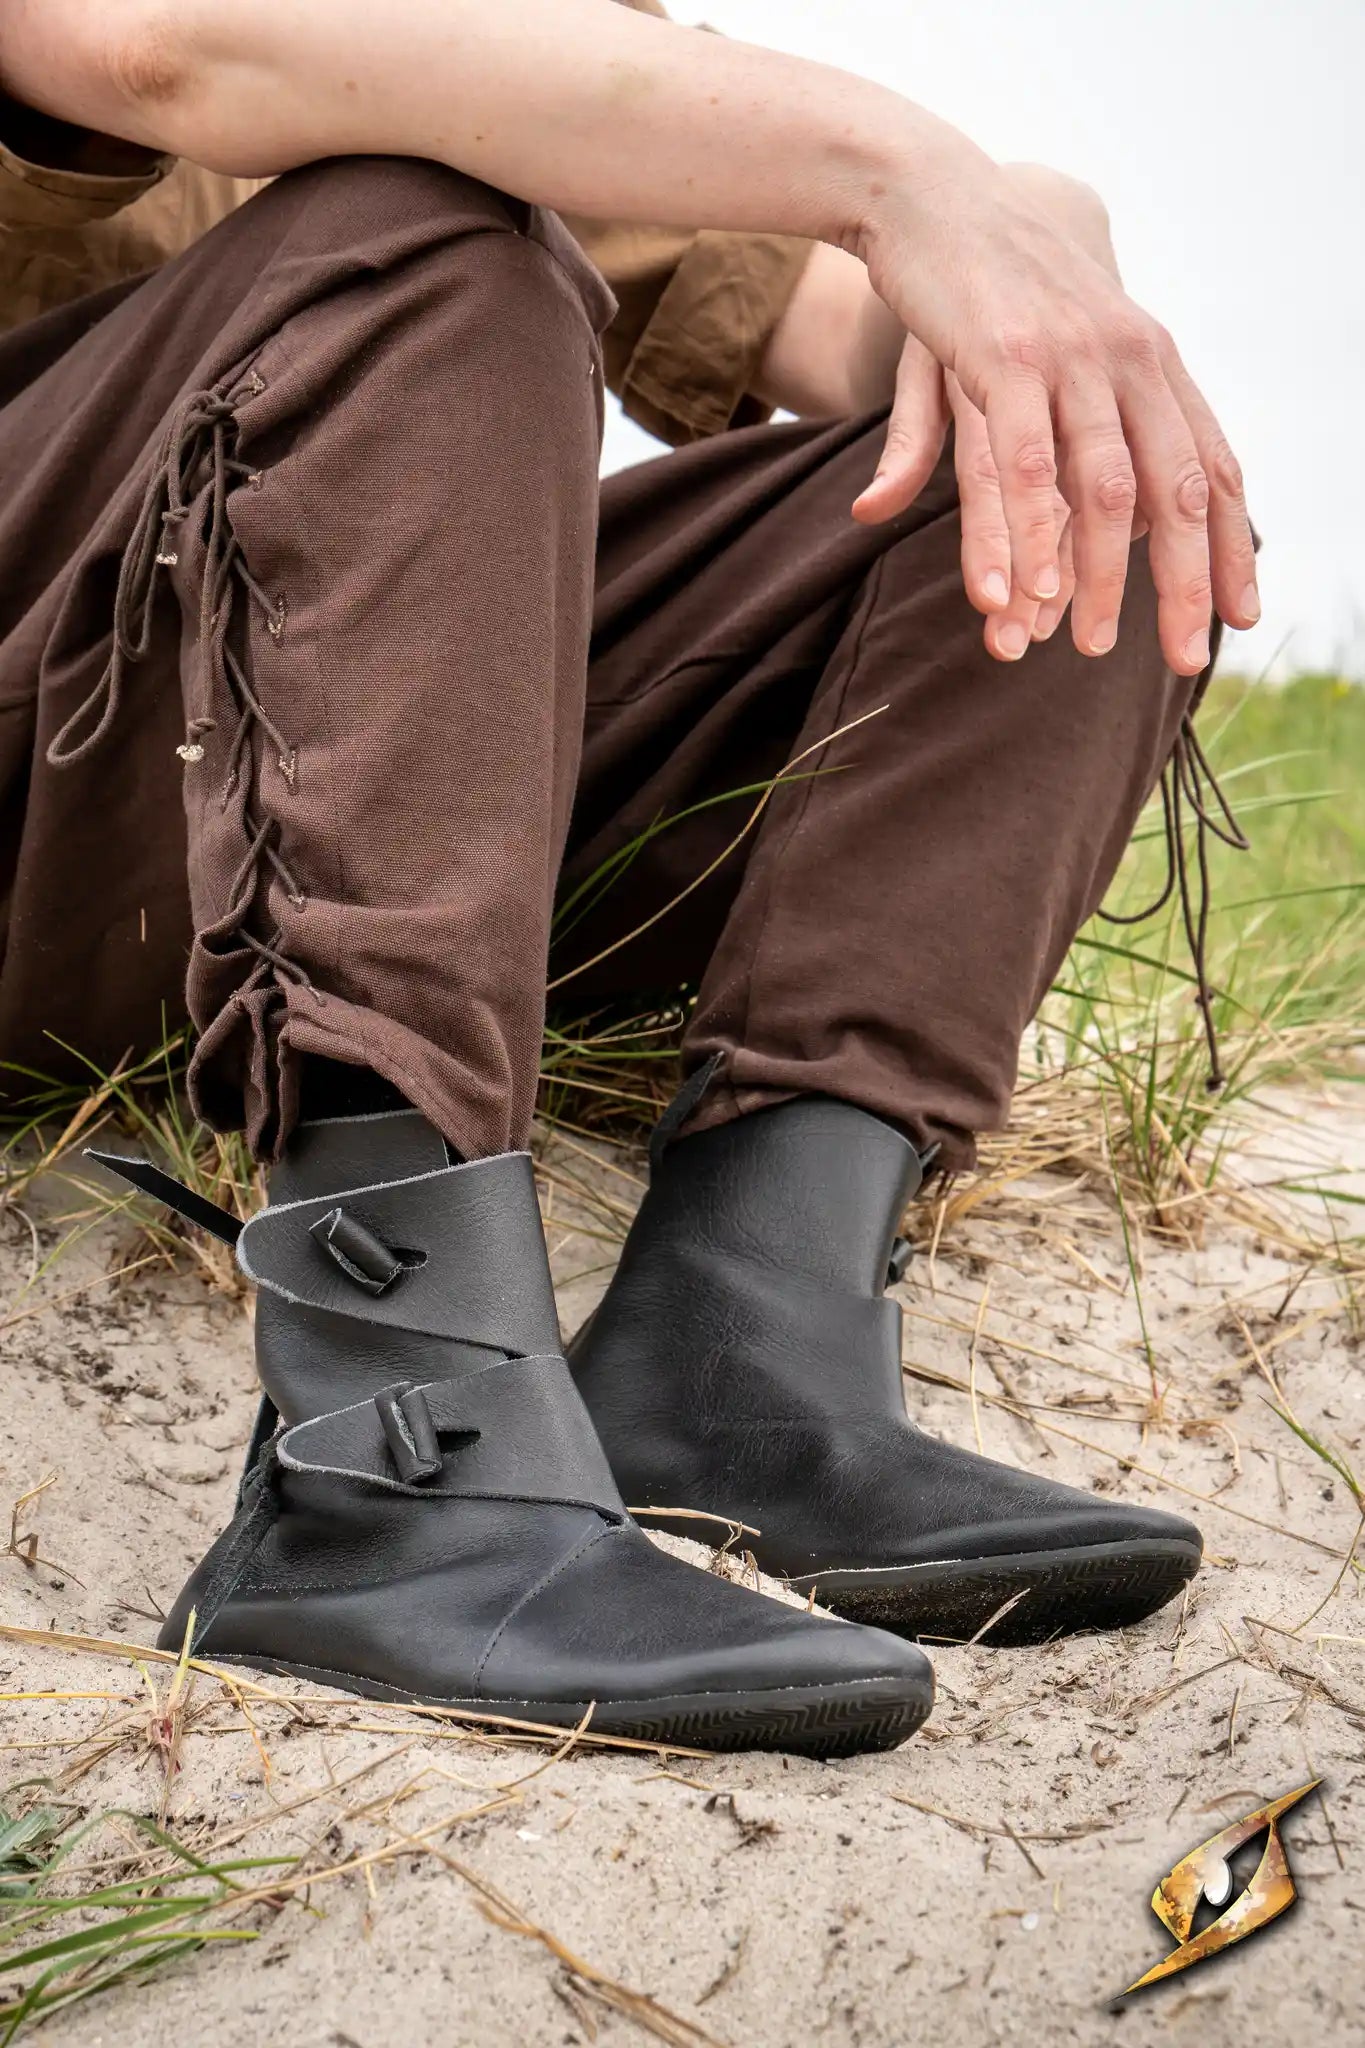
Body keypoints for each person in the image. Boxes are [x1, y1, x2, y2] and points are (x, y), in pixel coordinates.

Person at [0, 0, 1255, 1754]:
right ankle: (390, 1469)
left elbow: (837, 309)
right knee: (413, 243)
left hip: (303, 808)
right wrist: (903, 168)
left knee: (1061, 433)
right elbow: (158, 48)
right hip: (39, 790)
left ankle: (748, 1347)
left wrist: (1016, 232)